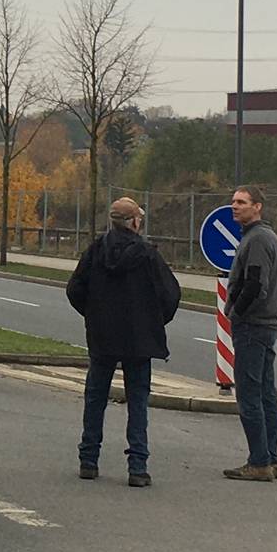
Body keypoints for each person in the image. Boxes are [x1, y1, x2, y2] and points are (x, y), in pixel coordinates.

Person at [66, 196, 181, 487]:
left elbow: (74, 289)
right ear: (134, 222)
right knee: (138, 400)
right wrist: (153, 320)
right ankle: (137, 467)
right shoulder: (147, 254)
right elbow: (170, 295)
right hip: (139, 338)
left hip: (103, 336)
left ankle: (88, 460)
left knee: (95, 397)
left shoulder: (95, 251)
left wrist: (93, 314)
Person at [222, 185, 277, 482]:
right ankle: (270, 458)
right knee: (265, 392)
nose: (235, 206)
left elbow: (255, 284)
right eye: (234, 202)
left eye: (242, 202)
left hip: (254, 325)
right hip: (265, 323)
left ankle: (259, 461)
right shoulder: (260, 236)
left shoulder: (258, 239)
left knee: (250, 393)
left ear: (257, 206)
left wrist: (235, 311)